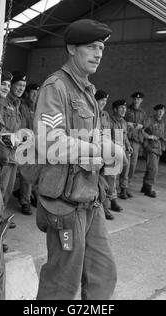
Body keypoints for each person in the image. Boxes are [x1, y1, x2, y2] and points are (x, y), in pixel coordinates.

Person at [33, 19, 123, 300]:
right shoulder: (56, 87)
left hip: (89, 198)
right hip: (64, 206)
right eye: (92, 47)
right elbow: (50, 143)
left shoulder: (87, 91)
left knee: (102, 273)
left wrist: (110, 146)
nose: (98, 53)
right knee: (63, 280)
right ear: (72, 48)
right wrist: (99, 150)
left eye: (101, 48)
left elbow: (94, 136)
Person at [0, 70, 16, 252]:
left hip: (7, 156)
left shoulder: (10, 104)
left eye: (9, 85)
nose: (6, 88)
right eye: (4, 85)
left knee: (3, 196)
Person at [95, 90, 123, 220]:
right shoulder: (90, 113)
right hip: (94, 150)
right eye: (101, 100)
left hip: (106, 149)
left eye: (105, 101)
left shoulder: (105, 115)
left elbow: (107, 133)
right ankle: (97, 208)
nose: (103, 103)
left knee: (110, 178)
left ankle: (105, 208)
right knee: (96, 180)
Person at [0, 71, 26, 208]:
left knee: (8, 190)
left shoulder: (17, 104)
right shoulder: (3, 102)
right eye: (19, 85)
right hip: (4, 154)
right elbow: (1, 129)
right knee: (1, 188)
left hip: (14, 154)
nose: (21, 88)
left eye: (23, 86)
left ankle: (0, 217)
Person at [13, 83, 40, 214]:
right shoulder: (22, 107)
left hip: (36, 146)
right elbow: (22, 128)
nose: (35, 96)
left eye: (37, 94)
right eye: (33, 93)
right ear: (27, 93)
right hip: (25, 145)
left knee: (37, 173)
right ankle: (25, 202)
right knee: (26, 175)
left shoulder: (38, 108)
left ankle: (30, 195)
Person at [141, 104, 166, 197]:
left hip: (158, 147)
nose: (160, 113)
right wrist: (149, 136)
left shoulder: (162, 122)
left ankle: (144, 187)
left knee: (150, 168)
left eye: (162, 111)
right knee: (153, 169)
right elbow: (141, 130)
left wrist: (164, 139)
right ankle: (148, 189)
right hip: (150, 147)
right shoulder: (150, 120)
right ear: (156, 111)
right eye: (159, 111)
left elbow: (160, 134)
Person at [110, 99, 133, 200]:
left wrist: (128, 145)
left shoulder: (124, 122)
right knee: (113, 175)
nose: (124, 110)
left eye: (125, 108)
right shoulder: (110, 121)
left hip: (123, 149)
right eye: (121, 108)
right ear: (115, 109)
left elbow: (125, 136)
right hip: (113, 150)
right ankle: (112, 198)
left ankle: (123, 189)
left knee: (126, 169)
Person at [125, 92, 148, 183]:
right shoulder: (126, 110)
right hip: (126, 139)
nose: (136, 101)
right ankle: (122, 186)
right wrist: (129, 124)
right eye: (135, 99)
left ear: (141, 100)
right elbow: (122, 121)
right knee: (125, 163)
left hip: (136, 141)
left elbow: (144, 126)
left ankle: (127, 184)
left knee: (133, 164)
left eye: (138, 99)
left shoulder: (143, 113)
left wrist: (140, 126)